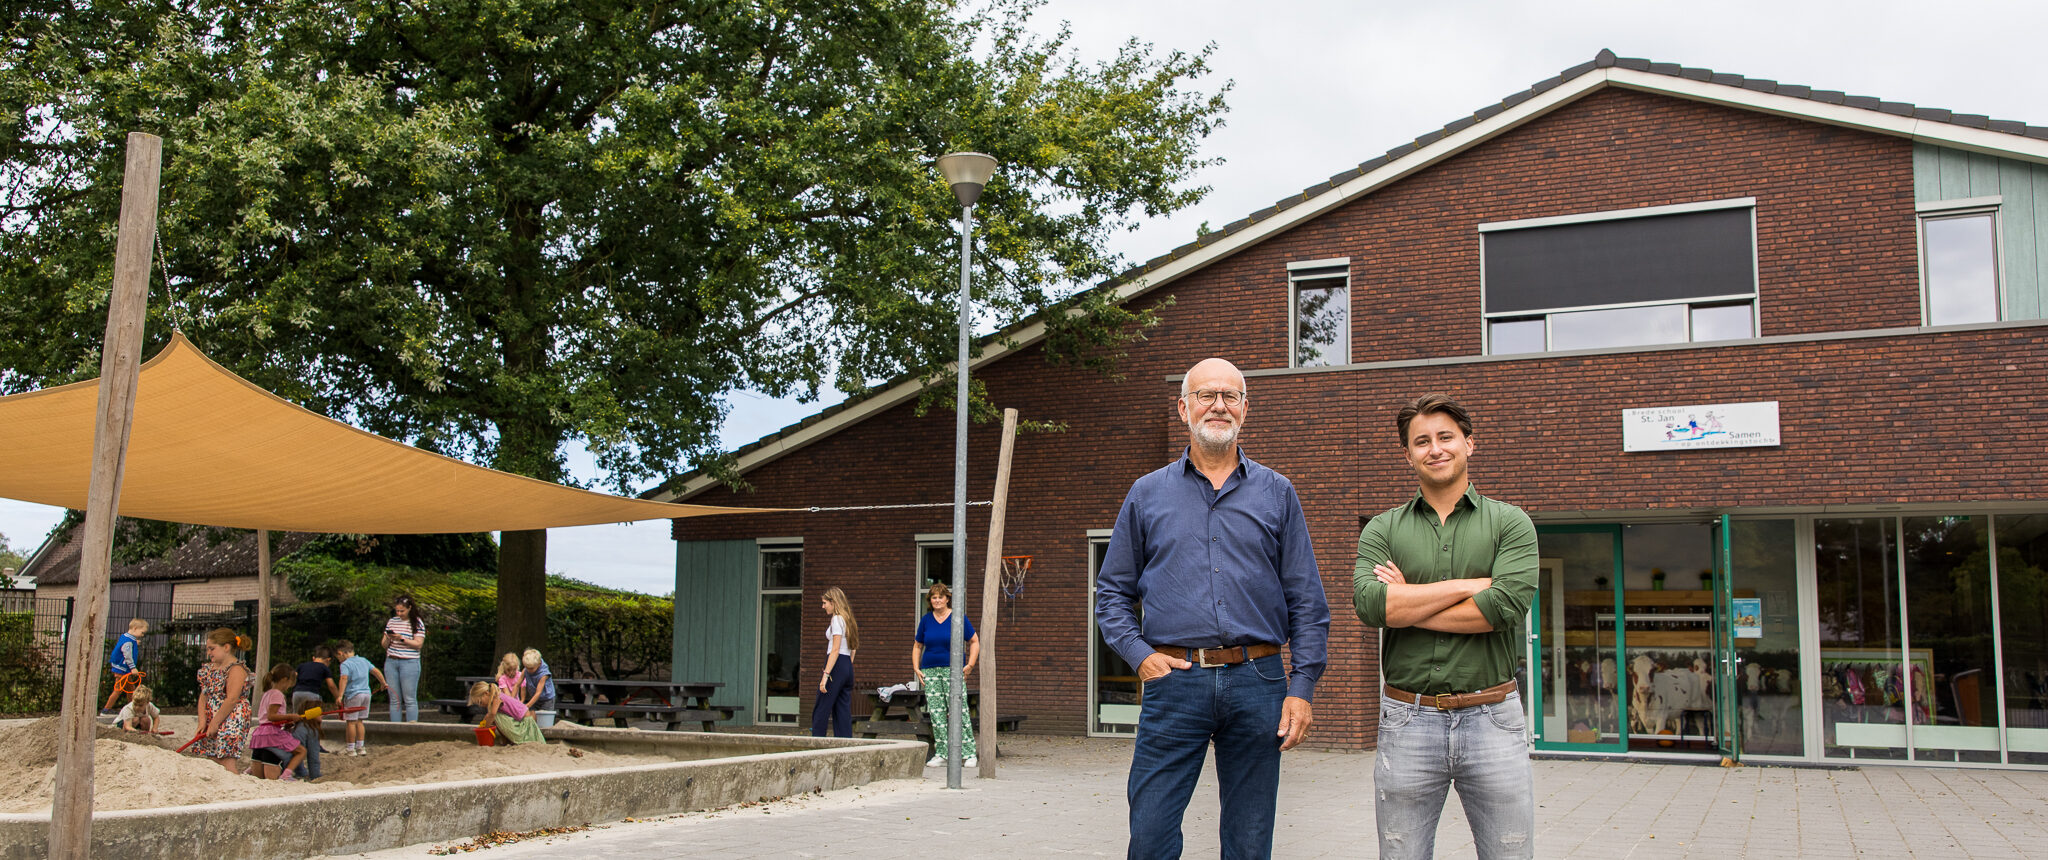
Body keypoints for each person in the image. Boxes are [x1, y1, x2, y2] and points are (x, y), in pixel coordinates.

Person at [1095, 357, 1331, 860]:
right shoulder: (1146, 494)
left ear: (1245, 409)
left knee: (1249, 841)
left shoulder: (1278, 493)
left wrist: (1303, 687)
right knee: (1151, 835)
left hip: (1260, 681)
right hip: (1175, 679)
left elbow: (1307, 600)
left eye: (1230, 396)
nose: (1218, 405)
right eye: (1206, 395)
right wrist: (1140, 655)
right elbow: (1111, 593)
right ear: (1184, 408)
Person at [1353, 393, 1538, 860]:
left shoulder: (1511, 523)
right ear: (1407, 454)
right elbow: (1372, 605)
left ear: (1469, 444)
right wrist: (1470, 585)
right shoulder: (1381, 528)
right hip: (1406, 719)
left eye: (1445, 437)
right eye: (1422, 441)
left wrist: (1408, 600)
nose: (1435, 448)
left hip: (1492, 717)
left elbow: (1505, 606)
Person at [911, 582, 979, 768]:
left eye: (941, 596)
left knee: (959, 710)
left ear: (947, 598)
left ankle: (969, 753)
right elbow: (918, 646)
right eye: (934, 597)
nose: (937, 600)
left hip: (953, 670)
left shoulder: (958, 617)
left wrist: (970, 664)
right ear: (930, 600)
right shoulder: (926, 620)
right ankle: (942, 753)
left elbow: (974, 641)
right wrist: (916, 668)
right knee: (936, 713)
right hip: (930, 670)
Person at [191, 628, 254, 774]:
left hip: (231, 717)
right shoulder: (210, 669)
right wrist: (203, 721)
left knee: (226, 759)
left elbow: (231, 699)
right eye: (208, 649)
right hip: (212, 717)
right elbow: (203, 696)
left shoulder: (236, 669)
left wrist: (215, 722)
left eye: (212, 649)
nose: (209, 653)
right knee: (212, 758)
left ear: (226, 647)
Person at [812, 586, 859, 738]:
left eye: (825, 602)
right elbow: (854, 647)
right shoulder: (849, 619)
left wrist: (826, 674)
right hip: (846, 666)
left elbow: (835, 648)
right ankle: (845, 745)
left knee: (822, 706)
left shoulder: (837, 619)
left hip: (836, 664)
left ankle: (816, 743)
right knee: (842, 709)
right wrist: (847, 666)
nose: (823, 606)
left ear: (833, 602)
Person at [249, 663, 308, 780]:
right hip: (271, 732)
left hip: (261, 731)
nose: (289, 686)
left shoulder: (267, 693)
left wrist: (285, 723)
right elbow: (271, 716)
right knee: (301, 751)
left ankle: (251, 769)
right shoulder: (277, 694)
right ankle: (286, 775)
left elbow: (267, 716)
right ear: (285, 680)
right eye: (290, 683)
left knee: (261, 759)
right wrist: (291, 716)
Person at [333, 639, 386, 756]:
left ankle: (350, 748)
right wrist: (383, 682)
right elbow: (376, 671)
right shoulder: (363, 660)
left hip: (353, 695)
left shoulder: (345, 664)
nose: (339, 660)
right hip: (366, 694)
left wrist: (340, 695)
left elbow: (344, 678)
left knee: (351, 722)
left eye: (338, 657)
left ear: (341, 653)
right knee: (360, 721)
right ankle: (361, 747)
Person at [381, 595, 427, 722]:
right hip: (392, 660)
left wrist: (402, 638)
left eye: (402, 611)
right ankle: (395, 727)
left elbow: (418, 644)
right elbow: (384, 644)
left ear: (409, 608)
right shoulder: (392, 621)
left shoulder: (417, 622)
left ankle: (412, 726)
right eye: (397, 611)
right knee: (394, 698)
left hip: (409, 662)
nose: (399, 613)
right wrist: (389, 637)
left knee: (409, 698)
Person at [468, 680, 546, 744]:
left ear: (486, 693)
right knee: (492, 716)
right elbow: (488, 716)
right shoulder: (496, 697)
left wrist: (485, 728)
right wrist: (483, 723)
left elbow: (492, 714)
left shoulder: (497, 698)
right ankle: (506, 741)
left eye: (480, 702)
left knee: (495, 716)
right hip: (521, 721)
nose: (481, 705)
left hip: (524, 725)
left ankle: (506, 741)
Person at [103, 617, 148, 712]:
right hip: (122, 669)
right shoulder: (128, 642)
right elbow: (127, 655)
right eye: (142, 632)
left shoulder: (126, 637)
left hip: (123, 669)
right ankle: (106, 709)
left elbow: (125, 645)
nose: (142, 635)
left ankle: (132, 708)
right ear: (135, 628)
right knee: (118, 690)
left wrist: (135, 642)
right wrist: (133, 668)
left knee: (131, 690)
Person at [292, 644, 336, 714]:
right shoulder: (324, 668)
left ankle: (297, 725)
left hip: (297, 693)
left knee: (297, 717)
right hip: (311, 694)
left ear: (313, 658)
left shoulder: (301, 665)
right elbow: (331, 686)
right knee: (313, 720)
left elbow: (293, 678)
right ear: (328, 660)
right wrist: (337, 697)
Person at [521, 648, 557, 729]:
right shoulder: (527, 669)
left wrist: (527, 705)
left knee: (545, 720)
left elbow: (538, 692)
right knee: (531, 715)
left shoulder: (544, 674)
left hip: (546, 698)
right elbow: (518, 684)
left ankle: (545, 737)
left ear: (539, 664)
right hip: (534, 697)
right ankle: (533, 733)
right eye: (527, 668)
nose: (529, 671)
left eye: (531, 668)